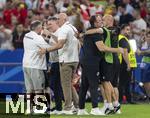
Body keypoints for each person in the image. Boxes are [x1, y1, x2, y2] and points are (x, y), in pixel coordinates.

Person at [78, 14, 123, 116]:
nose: (101, 22)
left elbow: (84, 35)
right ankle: (95, 108)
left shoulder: (93, 31)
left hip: (85, 60)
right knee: (94, 85)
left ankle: (81, 109)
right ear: (94, 23)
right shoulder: (97, 33)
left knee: (84, 85)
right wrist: (117, 50)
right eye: (99, 21)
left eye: (101, 20)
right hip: (92, 62)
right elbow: (102, 48)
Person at [39, 13, 79, 115]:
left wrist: (47, 47)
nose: (49, 26)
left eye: (51, 24)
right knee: (63, 85)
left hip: (62, 61)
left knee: (60, 85)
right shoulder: (68, 29)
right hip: (62, 61)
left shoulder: (61, 31)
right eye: (48, 24)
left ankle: (65, 107)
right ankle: (74, 105)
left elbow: (60, 44)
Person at [22, 20, 51, 114]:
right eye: (41, 27)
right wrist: (49, 36)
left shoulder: (26, 35)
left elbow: (38, 43)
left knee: (29, 89)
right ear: (38, 28)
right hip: (36, 66)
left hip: (26, 65)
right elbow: (48, 47)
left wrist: (43, 37)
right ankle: (39, 108)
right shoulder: (37, 38)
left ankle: (29, 109)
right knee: (39, 88)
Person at [118, 24, 137, 104]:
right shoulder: (122, 39)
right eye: (126, 29)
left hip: (124, 63)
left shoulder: (123, 39)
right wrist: (128, 64)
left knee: (125, 83)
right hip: (124, 64)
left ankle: (125, 99)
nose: (128, 32)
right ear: (122, 30)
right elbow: (125, 52)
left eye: (129, 30)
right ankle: (121, 100)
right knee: (124, 83)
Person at [137, 29, 150, 101]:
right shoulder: (144, 43)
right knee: (145, 82)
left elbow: (147, 52)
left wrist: (141, 52)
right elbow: (137, 50)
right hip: (144, 65)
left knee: (147, 82)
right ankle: (148, 96)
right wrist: (140, 42)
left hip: (149, 66)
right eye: (148, 37)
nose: (149, 38)